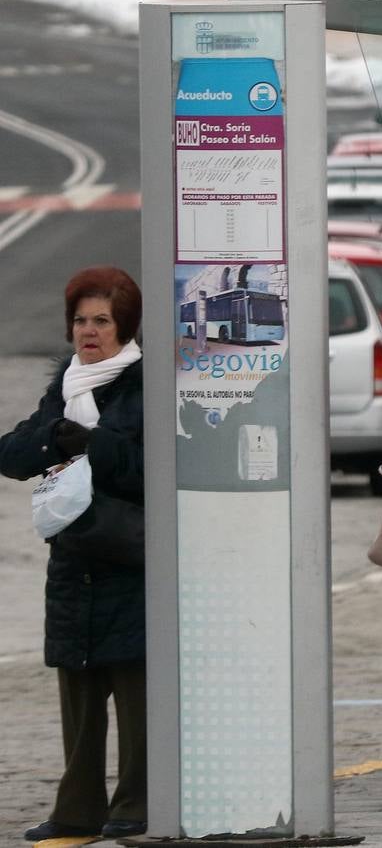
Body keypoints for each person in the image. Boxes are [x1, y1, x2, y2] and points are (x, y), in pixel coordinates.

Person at [0, 266, 147, 842]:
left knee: (135, 691)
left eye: (102, 320)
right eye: (81, 320)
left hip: (129, 556)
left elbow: (151, 471)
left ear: (124, 325)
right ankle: (78, 807)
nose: (89, 331)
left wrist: (97, 446)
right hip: (73, 562)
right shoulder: (65, 386)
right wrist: (52, 438)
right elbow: (11, 455)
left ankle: (137, 801)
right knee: (79, 693)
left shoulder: (144, 384)